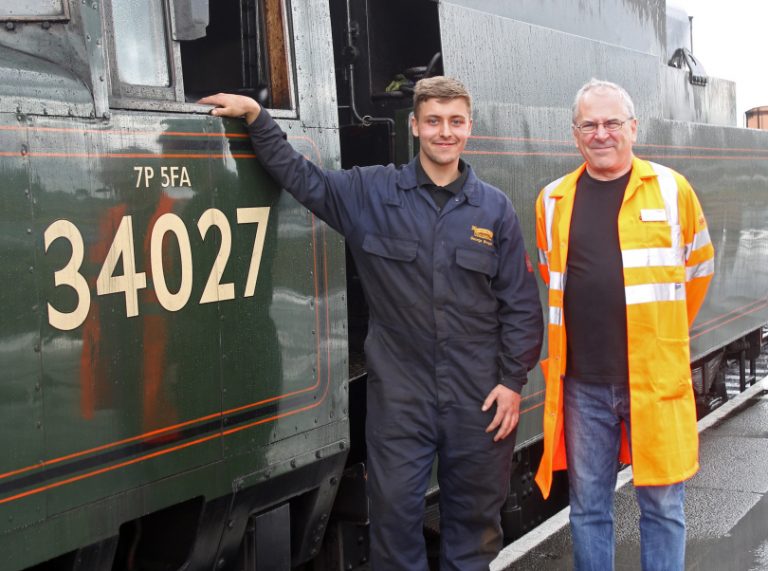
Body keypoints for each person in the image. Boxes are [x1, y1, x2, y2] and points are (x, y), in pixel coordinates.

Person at [199, 76, 544, 570]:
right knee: (394, 525)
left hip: (479, 399)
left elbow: (521, 306)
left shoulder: (495, 210)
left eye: (455, 122)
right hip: (401, 398)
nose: (444, 132)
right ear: (415, 126)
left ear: (469, 127)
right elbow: (303, 178)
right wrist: (258, 118)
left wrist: (512, 382)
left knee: (473, 533)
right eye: (433, 121)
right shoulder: (370, 193)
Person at [533, 78, 715, 570]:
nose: (601, 133)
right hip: (582, 385)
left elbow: (698, 270)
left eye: (612, 122)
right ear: (575, 135)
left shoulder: (672, 189)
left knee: (662, 506)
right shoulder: (552, 200)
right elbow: (553, 276)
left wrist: (662, 336)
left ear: (633, 128)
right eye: (589, 124)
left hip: (652, 380)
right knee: (588, 508)